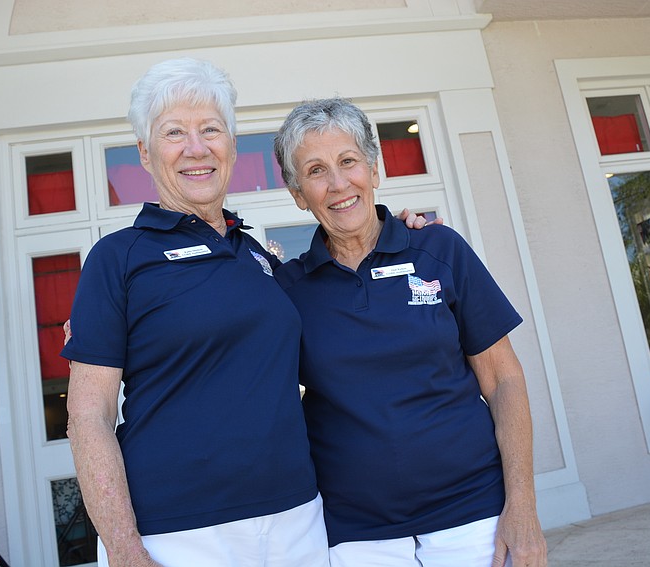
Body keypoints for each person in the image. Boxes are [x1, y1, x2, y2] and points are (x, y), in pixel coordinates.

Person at [61, 58, 430, 567]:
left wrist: (400, 235)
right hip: (178, 532)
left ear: (231, 148)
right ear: (145, 153)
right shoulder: (119, 257)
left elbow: (338, 304)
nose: (197, 147)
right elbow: (87, 417)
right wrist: (125, 551)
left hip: (296, 518)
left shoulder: (258, 256)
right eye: (174, 133)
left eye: (210, 130)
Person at [272, 97, 548, 567]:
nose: (339, 184)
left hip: (472, 512)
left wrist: (522, 508)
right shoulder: (290, 290)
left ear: (373, 170)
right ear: (299, 194)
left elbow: (505, 380)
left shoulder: (439, 250)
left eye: (348, 161)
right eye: (316, 171)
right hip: (356, 531)